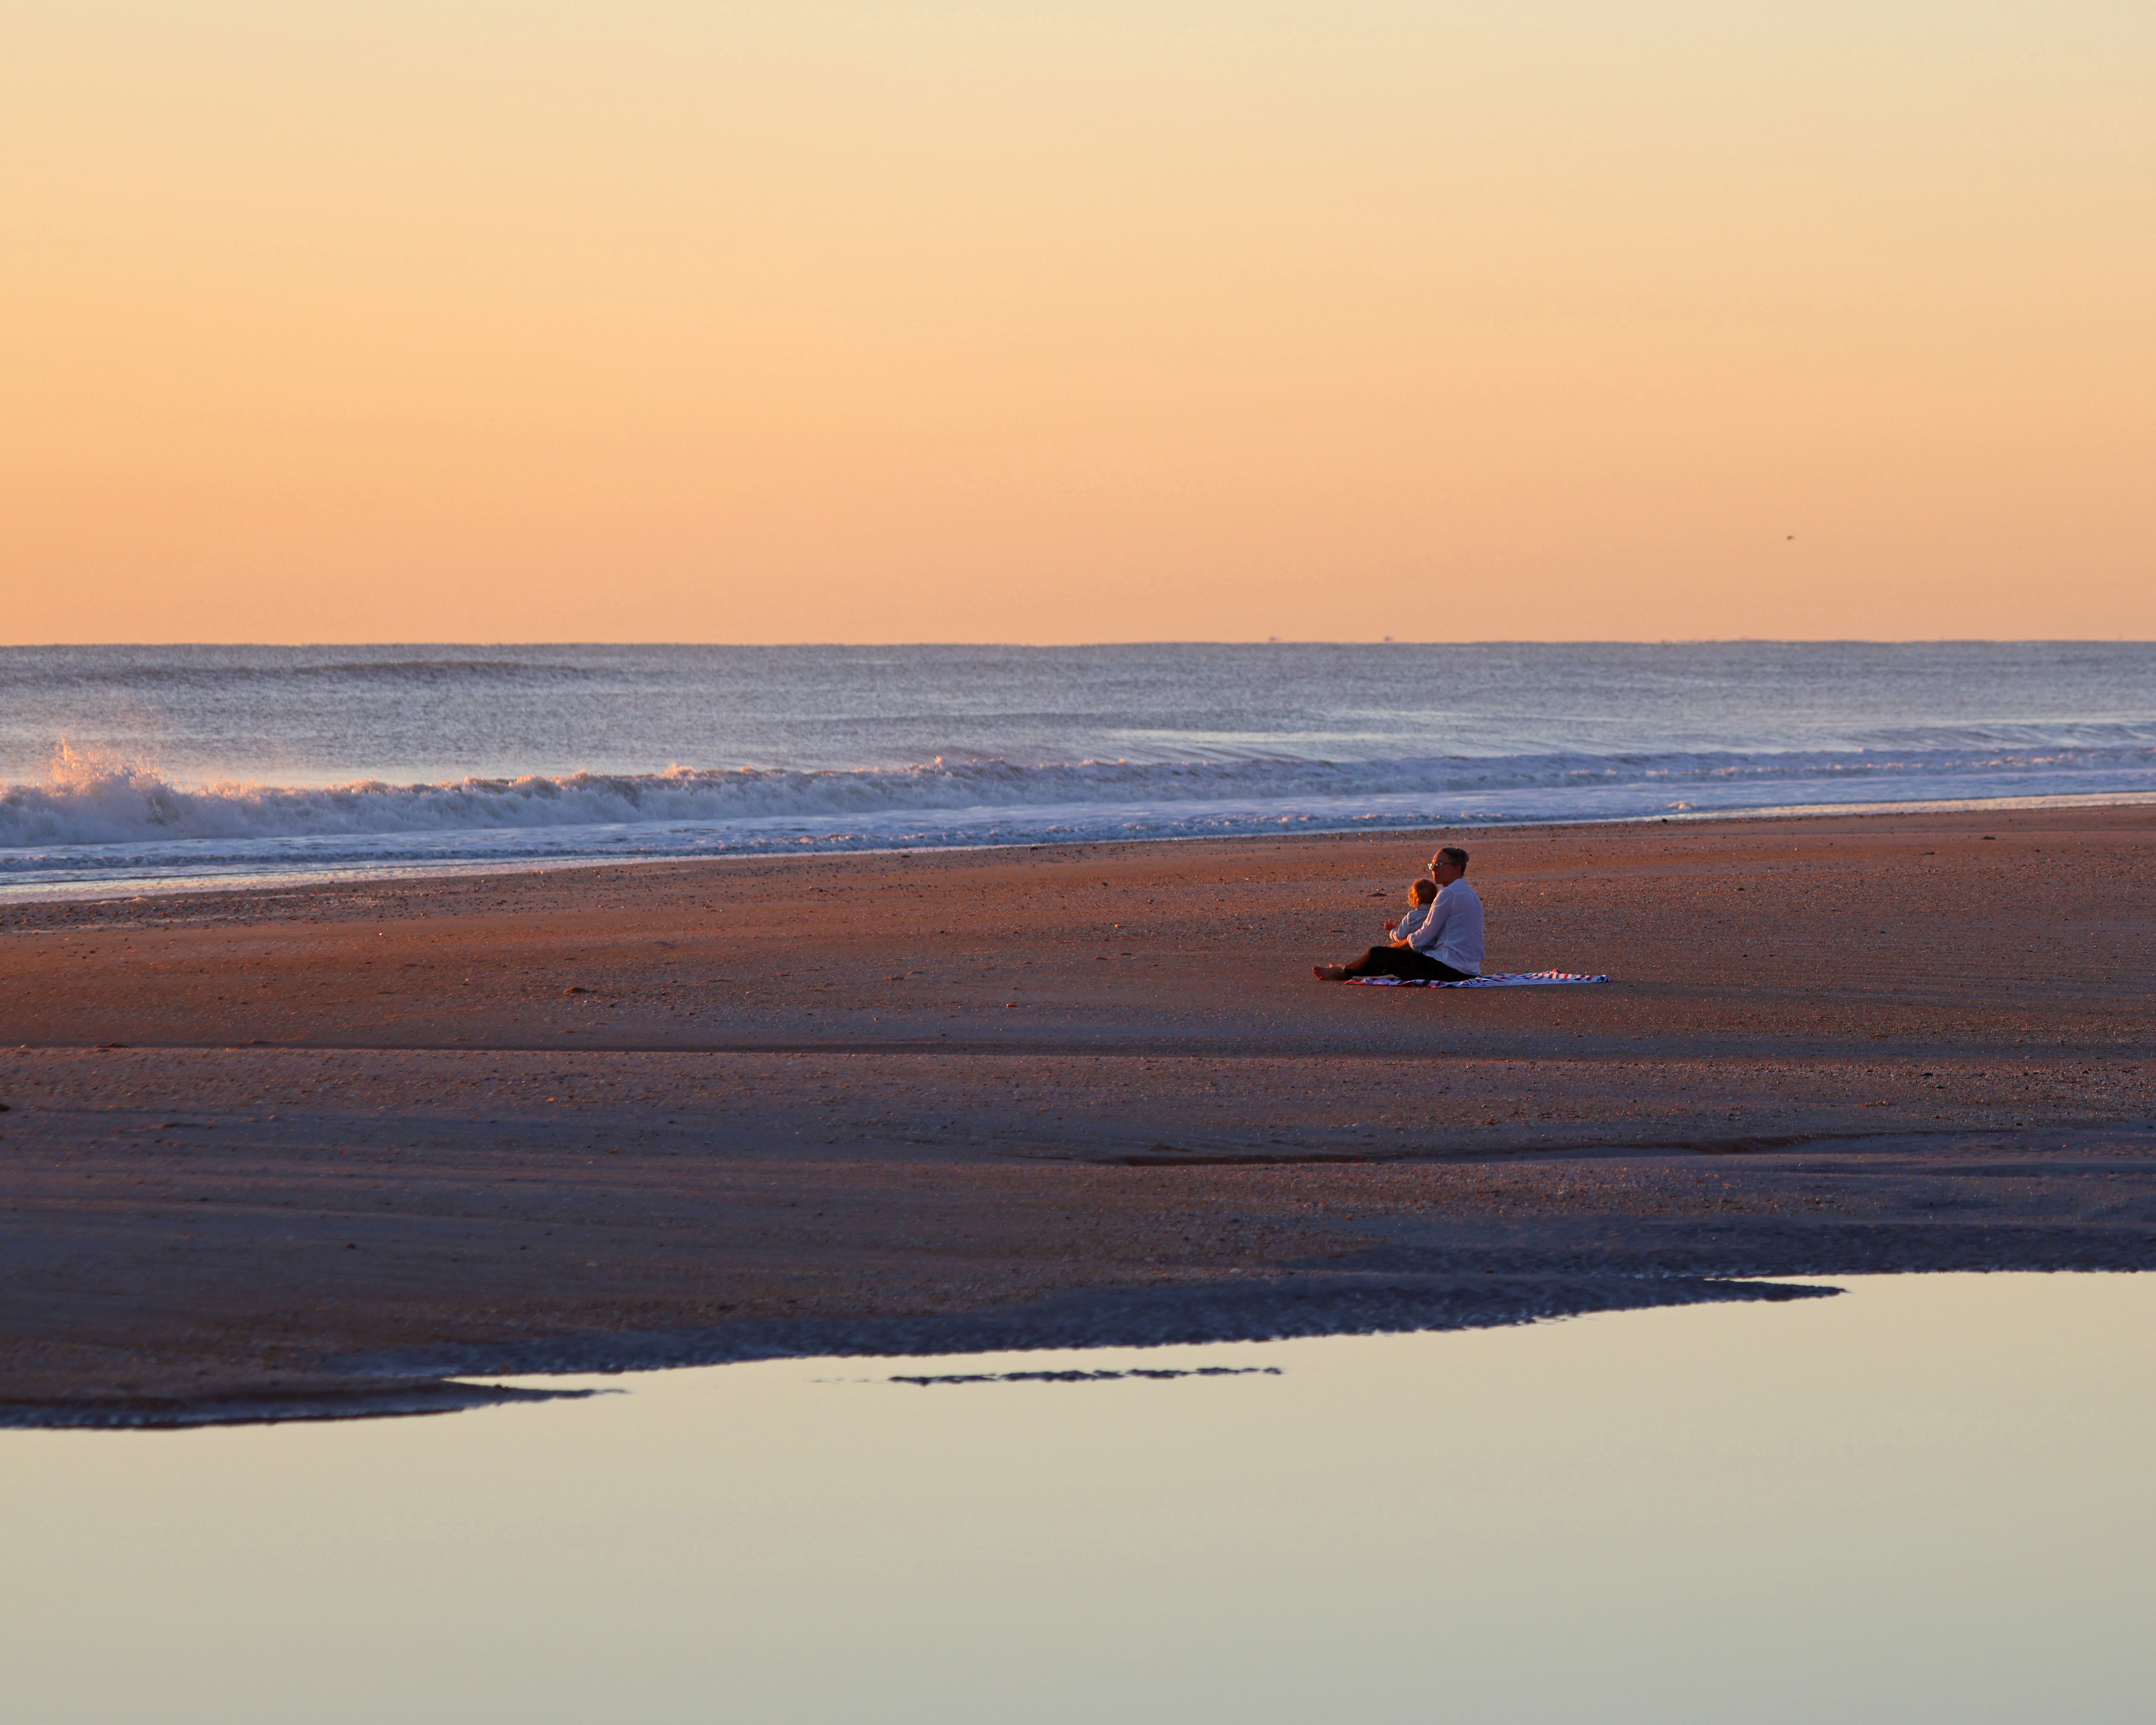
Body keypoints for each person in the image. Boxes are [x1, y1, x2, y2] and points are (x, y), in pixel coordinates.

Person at [1315, 846, 1484, 982]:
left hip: (1449, 969)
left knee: (1378, 953)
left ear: (1456, 869)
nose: (1434, 869)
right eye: (1432, 865)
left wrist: (1392, 947)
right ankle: (1346, 969)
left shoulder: (1448, 894)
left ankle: (1344, 971)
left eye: (1440, 864)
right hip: (1469, 970)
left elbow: (1422, 938)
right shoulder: (1470, 894)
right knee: (1397, 954)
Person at [1386, 876, 1438, 942]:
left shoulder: (1411, 917)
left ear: (1414, 899)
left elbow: (1400, 937)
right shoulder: (1437, 914)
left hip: (1414, 947)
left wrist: (1392, 930)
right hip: (1434, 947)